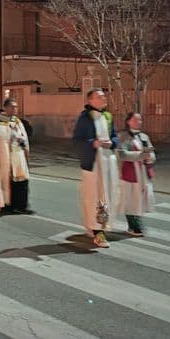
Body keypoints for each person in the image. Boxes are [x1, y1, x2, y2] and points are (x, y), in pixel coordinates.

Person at [72, 88, 119, 248]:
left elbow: (115, 136)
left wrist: (112, 143)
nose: (104, 98)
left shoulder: (108, 116)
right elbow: (77, 140)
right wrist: (93, 143)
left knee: (108, 194)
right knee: (94, 196)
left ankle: (103, 226)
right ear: (90, 100)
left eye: (104, 96)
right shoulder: (84, 118)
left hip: (108, 161)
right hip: (93, 163)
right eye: (100, 97)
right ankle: (97, 230)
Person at [0, 98, 33, 216]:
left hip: (19, 155)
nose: (15, 109)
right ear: (5, 108)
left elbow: (24, 136)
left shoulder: (17, 121)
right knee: (9, 182)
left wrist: (23, 142)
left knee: (23, 180)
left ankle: (21, 206)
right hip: (6, 156)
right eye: (12, 107)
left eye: (16, 107)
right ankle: (8, 205)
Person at [117, 112, 156, 237]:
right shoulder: (123, 136)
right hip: (129, 172)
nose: (139, 122)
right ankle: (134, 225)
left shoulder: (144, 136)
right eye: (135, 120)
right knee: (129, 199)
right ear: (128, 121)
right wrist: (141, 156)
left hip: (142, 172)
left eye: (140, 120)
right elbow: (122, 154)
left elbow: (151, 152)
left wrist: (150, 157)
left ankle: (136, 224)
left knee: (140, 199)